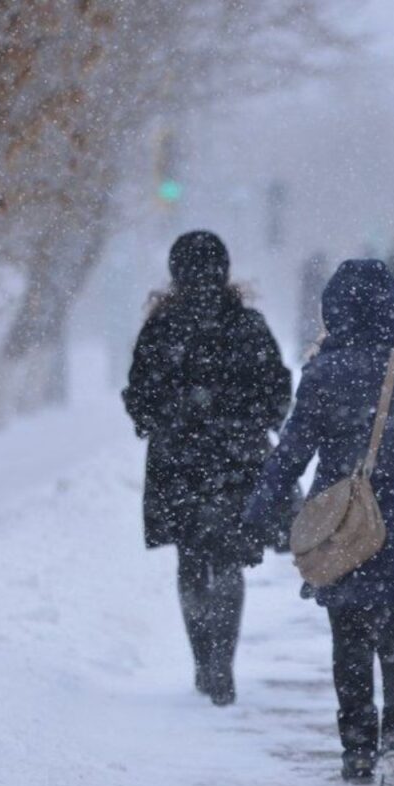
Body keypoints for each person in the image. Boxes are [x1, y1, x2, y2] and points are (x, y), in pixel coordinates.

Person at [244, 259, 394, 786]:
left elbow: (291, 454)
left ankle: (358, 747)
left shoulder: (324, 372)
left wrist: (257, 514)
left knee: (349, 638)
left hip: (344, 528)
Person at [122, 231, 292, 707]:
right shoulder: (248, 325)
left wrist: (171, 419)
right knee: (229, 560)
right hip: (235, 461)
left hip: (180, 465)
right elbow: (278, 391)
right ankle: (223, 667)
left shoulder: (161, 328)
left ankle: (204, 663)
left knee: (192, 562)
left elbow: (139, 397)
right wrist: (246, 422)